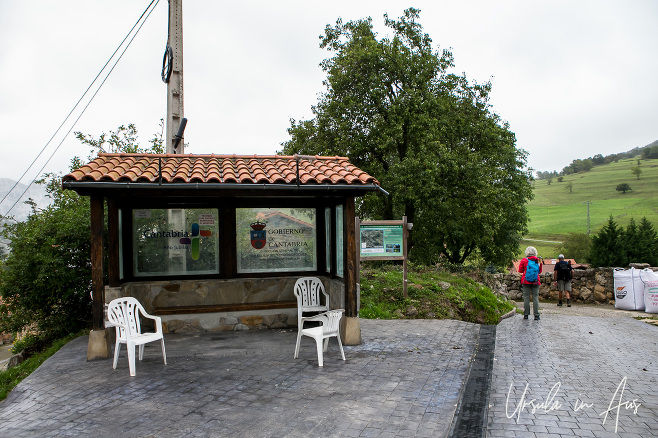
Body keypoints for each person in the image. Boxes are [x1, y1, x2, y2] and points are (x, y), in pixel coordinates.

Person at [518, 246, 543, 320]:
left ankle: (526, 314)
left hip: (526, 281)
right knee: (535, 297)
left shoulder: (524, 260)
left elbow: (520, 271)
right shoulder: (538, 260)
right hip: (536, 281)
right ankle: (536, 315)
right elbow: (540, 271)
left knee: (526, 297)